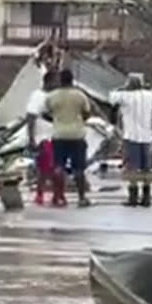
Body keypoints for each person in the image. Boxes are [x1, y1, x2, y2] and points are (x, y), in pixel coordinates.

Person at [110, 73, 152, 208]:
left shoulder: (125, 96)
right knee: (146, 168)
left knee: (132, 168)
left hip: (131, 136)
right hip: (146, 136)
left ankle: (133, 197)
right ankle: (147, 197)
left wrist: (122, 88)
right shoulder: (149, 96)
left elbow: (111, 98)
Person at [44, 68, 93, 207]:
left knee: (58, 166)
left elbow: (45, 113)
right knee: (79, 169)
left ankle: (59, 197)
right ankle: (82, 198)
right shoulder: (80, 95)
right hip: (77, 135)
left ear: (60, 80)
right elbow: (87, 113)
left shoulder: (52, 96)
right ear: (72, 80)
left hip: (59, 135)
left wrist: (55, 119)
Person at [26, 70, 58, 205]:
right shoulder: (37, 96)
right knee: (45, 168)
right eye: (56, 81)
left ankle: (56, 194)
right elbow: (31, 117)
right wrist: (31, 138)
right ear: (49, 81)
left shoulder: (55, 96)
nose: (58, 84)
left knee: (55, 167)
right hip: (42, 138)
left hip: (55, 136)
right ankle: (40, 194)